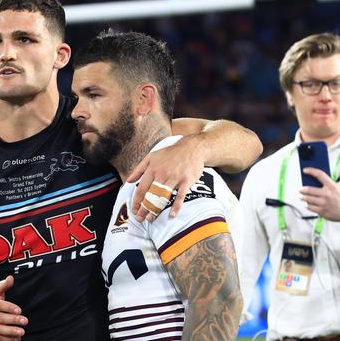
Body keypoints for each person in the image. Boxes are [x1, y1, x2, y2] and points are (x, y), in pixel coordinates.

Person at [0, 0, 261, 340]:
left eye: (25, 39)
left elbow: (246, 144)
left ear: (60, 55)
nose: (7, 53)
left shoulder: (98, 129)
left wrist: (195, 149)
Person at [71, 29, 243, 340]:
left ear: (143, 99)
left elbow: (218, 300)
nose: (77, 111)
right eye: (77, 98)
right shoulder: (139, 180)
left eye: (93, 95)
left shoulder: (171, 175)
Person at [237, 33, 340, 340]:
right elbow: (241, 273)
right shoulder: (263, 174)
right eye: (310, 84)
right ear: (289, 94)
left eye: (336, 83)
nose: (325, 95)